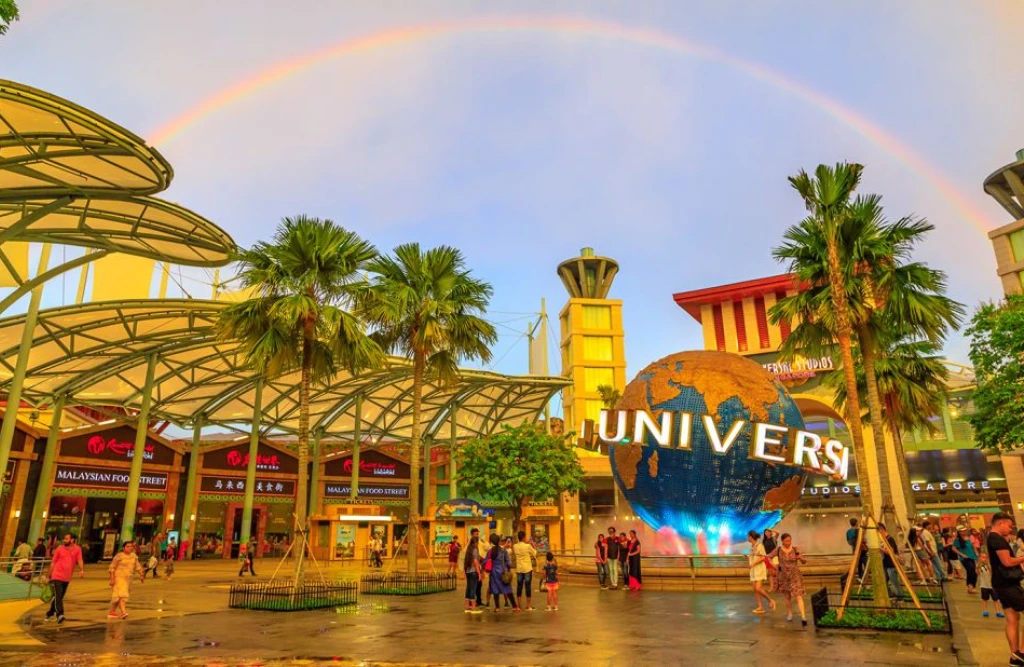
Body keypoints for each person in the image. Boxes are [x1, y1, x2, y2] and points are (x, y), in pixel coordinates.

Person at [767, 532, 808, 627]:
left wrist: (800, 558)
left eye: (790, 540)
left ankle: (803, 616)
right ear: (782, 541)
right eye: (786, 541)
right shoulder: (778, 550)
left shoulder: (795, 549)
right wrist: (774, 566)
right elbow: (767, 557)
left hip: (795, 575)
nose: (788, 542)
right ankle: (789, 613)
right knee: (787, 596)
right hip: (783, 576)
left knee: (798, 595)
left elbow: (804, 561)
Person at [45, 532, 84, 624]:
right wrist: (48, 576)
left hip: (67, 577)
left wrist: (81, 569)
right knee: (58, 595)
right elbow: (53, 562)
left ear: (72, 540)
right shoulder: (60, 548)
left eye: (66, 539)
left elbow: (79, 559)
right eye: (64, 538)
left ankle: (49, 613)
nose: (64, 540)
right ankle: (60, 614)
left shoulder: (78, 549)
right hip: (56, 575)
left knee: (59, 597)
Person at [107, 541, 144, 619]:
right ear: (123, 548)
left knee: (118, 596)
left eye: (131, 546)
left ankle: (112, 611)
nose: (129, 548)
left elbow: (137, 566)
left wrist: (141, 574)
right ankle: (123, 612)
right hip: (119, 577)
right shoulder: (119, 556)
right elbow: (112, 568)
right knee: (122, 595)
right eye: (127, 546)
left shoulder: (134, 556)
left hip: (129, 578)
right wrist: (112, 579)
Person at [487, 534, 517, 612]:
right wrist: (508, 569)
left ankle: (497, 607)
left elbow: (485, 562)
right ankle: (514, 606)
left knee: (495, 590)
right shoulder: (503, 551)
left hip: (493, 573)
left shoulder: (490, 551)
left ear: (491, 542)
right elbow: (508, 562)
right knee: (507, 589)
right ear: (499, 541)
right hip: (503, 572)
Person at [747, 530, 775, 614]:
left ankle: (770, 600)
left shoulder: (760, 546)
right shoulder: (752, 547)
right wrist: (749, 558)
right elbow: (754, 556)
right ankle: (760, 607)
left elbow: (763, 557)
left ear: (751, 537)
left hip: (759, 569)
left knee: (758, 588)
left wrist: (753, 563)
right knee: (755, 589)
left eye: (748, 536)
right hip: (753, 570)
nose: (747, 538)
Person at [513, 531, 537, 611]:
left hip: (519, 569)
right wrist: (532, 544)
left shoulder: (515, 546)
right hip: (527, 569)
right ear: (523, 537)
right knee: (528, 586)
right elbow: (535, 553)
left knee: (519, 586)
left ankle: (519, 606)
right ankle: (528, 605)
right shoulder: (528, 546)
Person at [878, 523, 903, 598]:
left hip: (891, 564)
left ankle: (900, 597)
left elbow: (890, 551)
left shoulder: (890, 539)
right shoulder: (883, 540)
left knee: (894, 582)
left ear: (881, 530)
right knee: (884, 582)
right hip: (885, 564)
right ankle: (891, 595)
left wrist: (880, 549)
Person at [977, 552, 1005, 619]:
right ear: (980, 558)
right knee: (984, 599)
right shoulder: (978, 566)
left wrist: (987, 564)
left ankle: (997, 612)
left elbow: (992, 572)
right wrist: (978, 565)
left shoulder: (989, 565)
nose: (984, 559)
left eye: (985, 557)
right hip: (984, 585)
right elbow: (977, 573)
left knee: (996, 599)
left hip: (992, 585)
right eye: (982, 557)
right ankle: (985, 610)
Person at [953, 525, 979, 594]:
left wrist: (976, 552)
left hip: (972, 556)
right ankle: (970, 586)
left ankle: (971, 586)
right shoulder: (957, 540)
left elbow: (972, 546)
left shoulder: (969, 537)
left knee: (973, 572)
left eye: (965, 530)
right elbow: (954, 548)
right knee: (971, 570)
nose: (964, 532)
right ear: (959, 532)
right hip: (965, 558)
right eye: (962, 531)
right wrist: (961, 554)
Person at [463, 535, 483, 614]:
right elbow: (475, 561)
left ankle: (467, 606)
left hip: (468, 571)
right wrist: (479, 573)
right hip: (473, 571)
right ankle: (473, 607)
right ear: (476, 543)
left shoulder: (469, 550)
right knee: (473, 589)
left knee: (468, 588)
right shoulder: (475, 550)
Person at [469, 528, 485, 606]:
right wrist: (479, 572)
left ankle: (478, 601)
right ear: (472, 535)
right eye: (476, 534)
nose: (477, 535)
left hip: (478, 566)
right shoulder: (471, 545)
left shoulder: (478, 544)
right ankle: (472, 603)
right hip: (474, 568)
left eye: (478, 534)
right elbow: (474, 559)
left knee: (479, 585)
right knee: (474, 586)